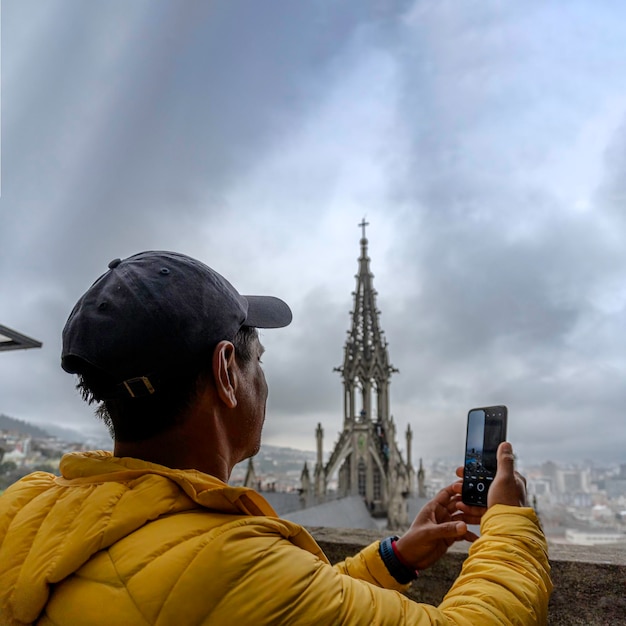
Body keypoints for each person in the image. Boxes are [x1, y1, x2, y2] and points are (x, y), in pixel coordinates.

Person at [0, 251, 552, 625]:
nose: (263, 378)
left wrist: (394, 558)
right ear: (224, 373)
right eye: (256, 359)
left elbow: (276, 599)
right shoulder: (231, 560)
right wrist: (506, 520)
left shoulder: (26, 509)